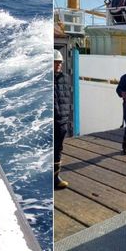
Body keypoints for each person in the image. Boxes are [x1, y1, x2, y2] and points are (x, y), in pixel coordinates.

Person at [54, 49, 71, 190]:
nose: (59, 64)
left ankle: (56, 177)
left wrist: (66, 116)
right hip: (52, 120)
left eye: (60, 62)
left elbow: (66, 98)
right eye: (56, 62)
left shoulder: (66, 78)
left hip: (62, 121)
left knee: (58, 149)